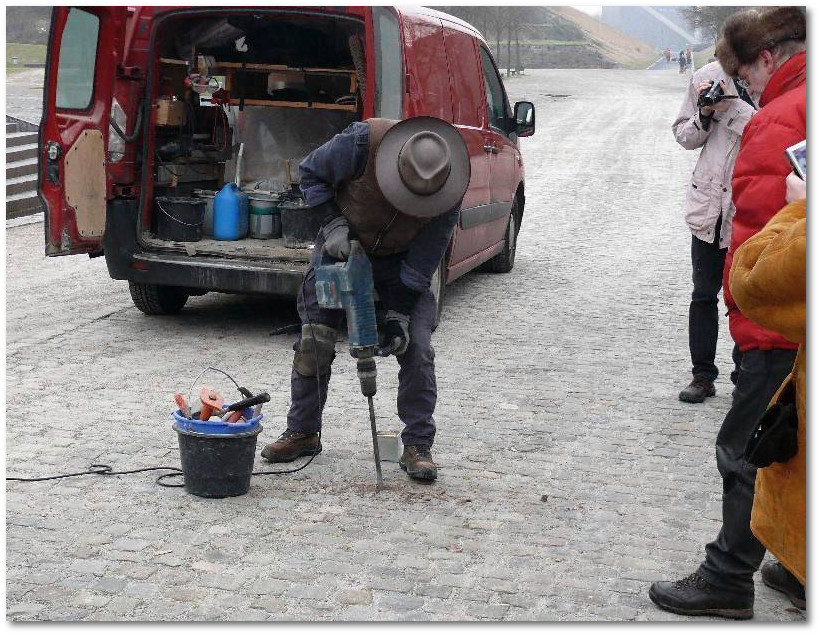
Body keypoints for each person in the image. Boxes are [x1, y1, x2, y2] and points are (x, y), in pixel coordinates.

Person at [649, 6, 805, 619]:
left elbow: (773, 250)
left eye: (747, 75)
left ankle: (727, 577)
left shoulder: (781, 116)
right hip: (724, 241)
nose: (745, 87)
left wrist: (749, 316)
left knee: (751, 447)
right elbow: (686, 134)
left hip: (778, 328)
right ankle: (797, 565)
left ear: (768, 58)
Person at [260, 117, 470, 482]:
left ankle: (418, 444)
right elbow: (311, 173)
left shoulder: (449, 186)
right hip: (341, 250)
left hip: (402, 264)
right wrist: (334, 227)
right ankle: (303, 431)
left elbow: (427, 253)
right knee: (314, 340)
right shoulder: (361, 143)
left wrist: (399, 312)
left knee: (417, 348)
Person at [730, 196, 806, 610]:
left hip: (768, 337)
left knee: (747, 452)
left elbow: (755, 277)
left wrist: (800, 209)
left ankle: (727, 572)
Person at [672, 60, 756, 403]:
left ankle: (745, 376)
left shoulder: (771, 78)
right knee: (703, 295)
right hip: (709, 208)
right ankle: (702, 375)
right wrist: (704, 113)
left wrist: (730, 107)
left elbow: (768, 128)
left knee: (747, 296)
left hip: (749, 207)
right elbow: (684, 136)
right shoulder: (705, 76)